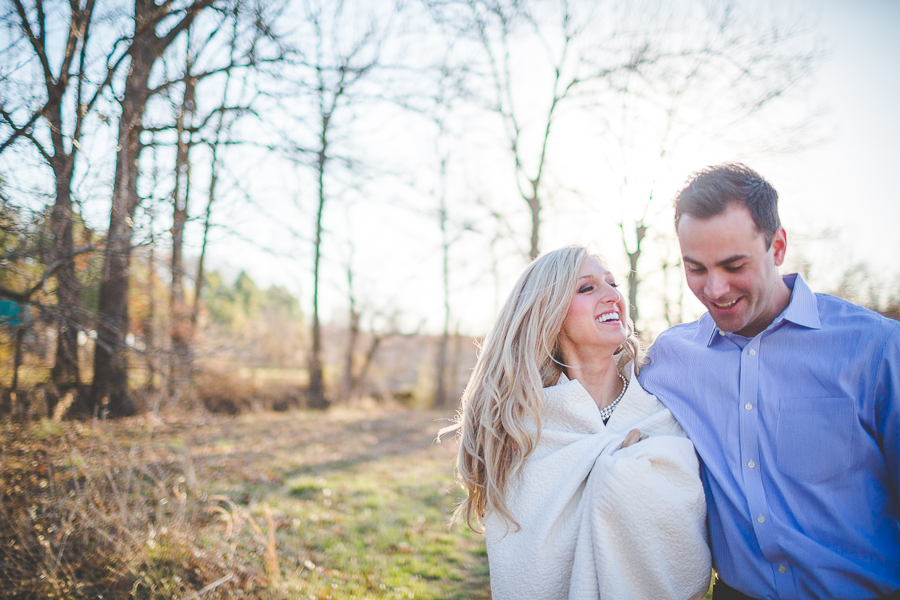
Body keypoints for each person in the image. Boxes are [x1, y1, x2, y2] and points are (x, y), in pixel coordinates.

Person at [638, 163, 900, 600]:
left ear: (777, 246)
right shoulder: (667, 360)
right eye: (696, 268)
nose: (715, 289)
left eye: (733, 264)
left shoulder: (877, 349)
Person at [446, 246, 711, 600]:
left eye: (613, 283)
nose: (613, 296)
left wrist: (620, 474)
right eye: (587, 288)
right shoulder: (525, 430)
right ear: (548, 312)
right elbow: (521, 566)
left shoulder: (664, 406)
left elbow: (688, 543)